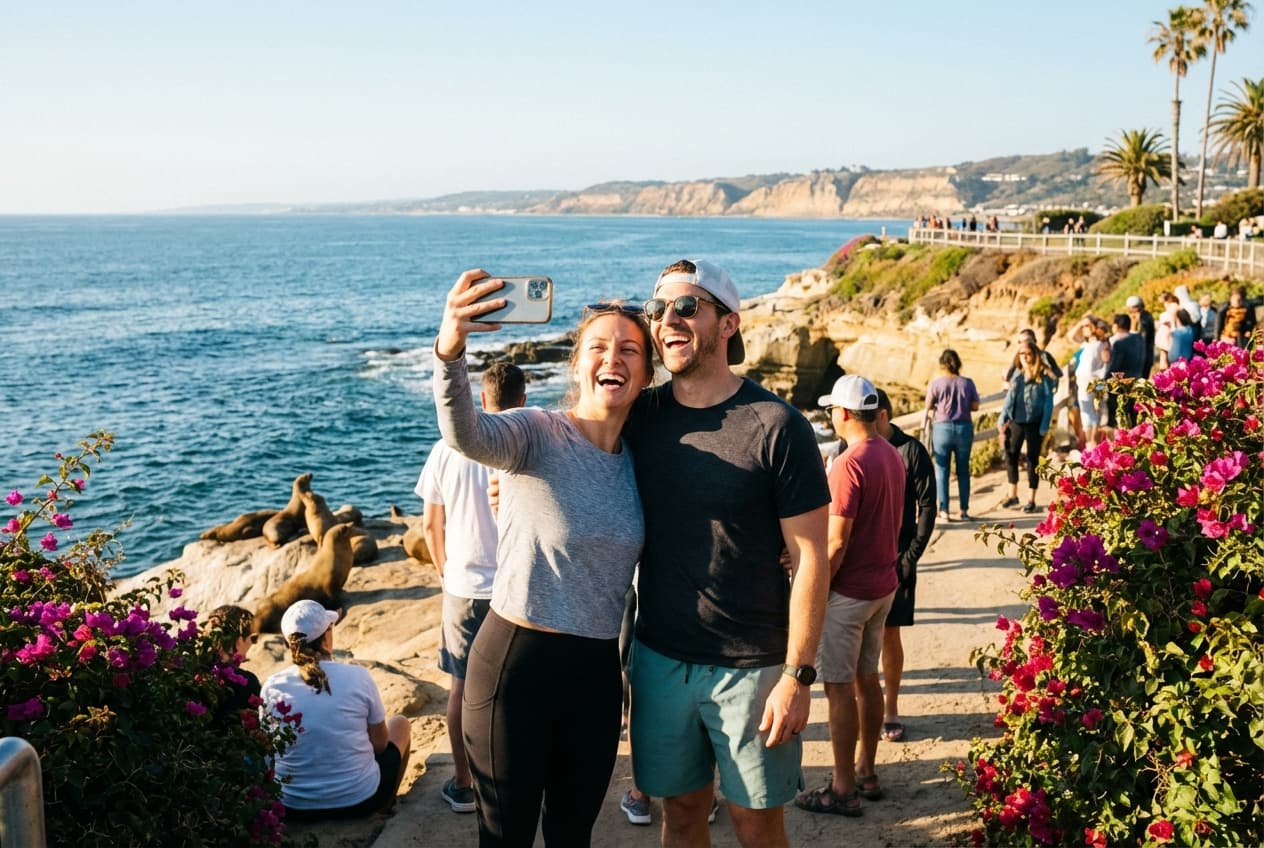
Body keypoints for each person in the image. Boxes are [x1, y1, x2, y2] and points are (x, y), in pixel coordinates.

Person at [434, 271, 653, 846]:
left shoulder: (646, 460)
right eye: (599, 347)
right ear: (577, 365)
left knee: (571, 838)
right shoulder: (536, 433)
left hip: (597, 677)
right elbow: (465, 434)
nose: (615, 358)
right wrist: (451, 346)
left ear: (647, 374)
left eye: (630, 349)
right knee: (505, 838)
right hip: (516, 666)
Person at [623, 259, 830, 848]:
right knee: (681, 813)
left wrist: (798, 675)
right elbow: (574, 447)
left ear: (728, 323)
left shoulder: (778, 425)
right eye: (658, 309)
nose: (668, 320)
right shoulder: (643, 415)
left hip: (754, 667)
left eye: (688, 307)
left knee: (755, 825)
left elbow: (812, 556)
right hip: (659, 657)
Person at [417, 361, 526, 814]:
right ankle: (517, 778)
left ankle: (464, 784)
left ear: (481, 399)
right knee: (517, 688)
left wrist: (445, 572)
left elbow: (429, 523)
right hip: (514, 588)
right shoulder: (525, 441)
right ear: (523, 399)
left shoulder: (447, 447)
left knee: (461, 688)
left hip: (463, 586)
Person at [794, 375, 904, 818]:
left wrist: (815, 587)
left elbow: (836, 542)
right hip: (882, 587)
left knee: (838, 689)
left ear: (840, 414)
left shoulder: (848, 464)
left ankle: (842, 788)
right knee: (867, 680)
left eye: (830, 410)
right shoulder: (891, 453)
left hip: (851, 592)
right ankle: (867, 771)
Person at [260, 600, 412, 821]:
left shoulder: (271, 686)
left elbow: (269, 752)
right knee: (400, 724)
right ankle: (384, 806)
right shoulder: (358, 676)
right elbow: (380, 746)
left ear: (288, 644)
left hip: (293, 807)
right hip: (358, 802)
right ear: (327, 635)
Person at [874, 388, 935, 745]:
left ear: (882, 414)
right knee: (854, 639)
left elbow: (928, 504)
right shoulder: (849, 447)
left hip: (897, 556)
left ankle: (891, 710)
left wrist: (912, 554)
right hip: (859, 557)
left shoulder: (910, 450)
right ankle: (864, 707)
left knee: (889, 633)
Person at [998, 341, 1055, 514]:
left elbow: (1048, 404)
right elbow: (1009, 400)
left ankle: (1031, 499)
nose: (1024, 356)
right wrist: (1002, 418)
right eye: (1021, 353)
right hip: (1017, 421)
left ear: (1035, 355)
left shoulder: (1043, 378)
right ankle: (1013, 494)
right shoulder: (1017, 375)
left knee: (1032, 460)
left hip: (1035, 423)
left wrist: (1045, 425)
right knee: (1011, 455)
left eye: (1028, 353)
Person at [923, 349, 979, 521]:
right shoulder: (967, 383)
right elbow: (975, 405)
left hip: (942, 429)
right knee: (963, 470)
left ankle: (944, 510)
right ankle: (963, 510)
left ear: (942, 364)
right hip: (963, 428)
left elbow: (928, 406)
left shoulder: (937, 384)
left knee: (941, 470)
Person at [205, 604, 261, 719]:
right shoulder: (248, 683)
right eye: (253, 638)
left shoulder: (191, 669)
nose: (254, 644)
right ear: (239, 639)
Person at [1066, 316, 1109, 448]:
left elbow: (1106, 362)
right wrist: (1081, 323)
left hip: (1096, 383)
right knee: (1086, 415)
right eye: (1084, 326)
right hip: (1083, 383)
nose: (1085, 328)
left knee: (1096, 413)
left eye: (1088, 326)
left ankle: (1093, 443)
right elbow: (1070, 335)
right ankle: (1088, 444)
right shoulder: (1086, 345)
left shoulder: (1102, 343)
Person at [1105, 313, 1147, 432]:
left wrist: (1103, 383)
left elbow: (1114, 368)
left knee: (1120, 416)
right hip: (1137, 380)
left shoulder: (1119, 344)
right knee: (1134, 416)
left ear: (1117, 326)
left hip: (1122, 385)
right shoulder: (1139, 340)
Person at [1125, 295, 1156, 378]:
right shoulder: (1143, 316)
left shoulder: (1144, 318)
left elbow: (1141, 338)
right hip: (1143, 356)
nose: (1129, 311)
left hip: (1143, 357)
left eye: (1130, 309)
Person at [1154, 292, 1179, 370]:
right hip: (1167, 335)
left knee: (1164, 355)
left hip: (1167, 335)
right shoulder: (1175, 306)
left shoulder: (1172, 307)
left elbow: (1171, 320)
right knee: (1164, 354)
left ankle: (1165, 371)